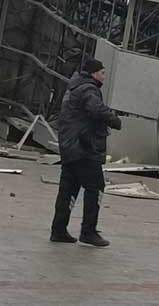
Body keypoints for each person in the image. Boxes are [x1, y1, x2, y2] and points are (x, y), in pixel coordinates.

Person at [50, 58, 122, 247]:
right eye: (102, 72)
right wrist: (114, 119)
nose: (104, 76)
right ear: (94, 73)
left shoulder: (73, 88)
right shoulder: (89, 89)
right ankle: (88, 231)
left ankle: (58, 229)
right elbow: (95, 109)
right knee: (95, 186)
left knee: (68, 188)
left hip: (69, 146)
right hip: (84, 147)